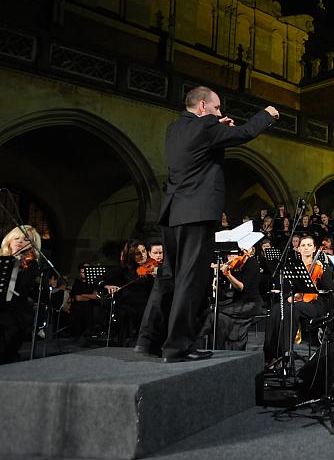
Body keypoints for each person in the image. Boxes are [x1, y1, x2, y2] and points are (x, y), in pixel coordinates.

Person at [134, 85, 278, 362]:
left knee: (168, 278)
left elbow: (202, 142)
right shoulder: (207, 127)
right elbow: (244, 133)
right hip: (197, 214)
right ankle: (177, 347)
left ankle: (148, 341)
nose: (219, 113)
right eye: (215, 108)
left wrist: (214, 125)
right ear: (202, 106)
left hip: (173, 213)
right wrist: (267, 114)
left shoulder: (174, 129)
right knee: (190, 280)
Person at [263, 234, 334, 369]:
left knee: (292, 309)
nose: (306, 248)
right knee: (276, 309)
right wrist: (289, 296)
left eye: (309, 245)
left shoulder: (321, 266)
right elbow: (286, 288)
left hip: (315, 304)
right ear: (298, 249)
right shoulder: (293, 266)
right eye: (303, 245)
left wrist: (324, 270)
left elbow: (328, 288)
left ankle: (285, 353)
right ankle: (271, 354)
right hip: (297, 300)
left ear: (314, 249)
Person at [200, 249, 262, 350]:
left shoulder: (252, 263)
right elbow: (222, 265)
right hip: (237, 302)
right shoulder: (236, 264)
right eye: (228, 255)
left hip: (250, 303)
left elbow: (242, 287)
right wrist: (213, 265)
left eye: (232, 255)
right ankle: (209, 344)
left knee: (216, 313)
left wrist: (228, 275)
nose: (230, 258)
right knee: (212, 312)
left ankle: (204, 340)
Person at [0, 226, 42, 364]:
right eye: (16, 237)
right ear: (9, 240)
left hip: (16, 312)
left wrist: (18, 261)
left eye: (25, 239)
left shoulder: (31, 264)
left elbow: (22, 284)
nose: (20, 241)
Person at [103, 240, 155, 346]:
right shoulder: (124, 269)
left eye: (144, 251)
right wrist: (107, 285)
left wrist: (156, 276)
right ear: (131, 256)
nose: (142, 255)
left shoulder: (152, 267)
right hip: (128, 307)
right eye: (137, 253)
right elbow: (100, 279)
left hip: (146, 306)